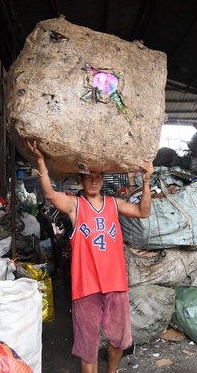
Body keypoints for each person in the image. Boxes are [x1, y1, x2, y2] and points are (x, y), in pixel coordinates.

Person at [26, 139, 153, 373]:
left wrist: (146, 183)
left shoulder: (114, 204)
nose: (93, 181)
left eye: (98, 177)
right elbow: (51, 195)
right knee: (88, 347)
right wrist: (42, 164)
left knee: (119, 339)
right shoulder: (76, 206)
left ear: (103, 180)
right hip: (86, 288)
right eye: (88, 177)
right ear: (81, 180)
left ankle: (112, 371)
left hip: (116, 284)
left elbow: (143, 212)